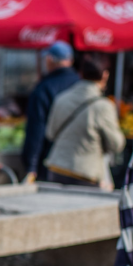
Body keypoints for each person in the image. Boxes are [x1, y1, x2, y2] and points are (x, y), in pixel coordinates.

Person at [43, 57, 125, 187]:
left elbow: (50, 133)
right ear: (105, 75)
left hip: (56, 167)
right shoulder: (103, 106)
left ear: (80, 74)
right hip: (86, 173)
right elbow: (116, 144)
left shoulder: (61, 98)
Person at [22, 41, 80, 182]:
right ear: (70, 60)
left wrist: (31, 165)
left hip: (51, 161)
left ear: (49, 60)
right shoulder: (81, 84)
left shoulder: (44, 88)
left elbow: (37, 129)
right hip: (79, 161)